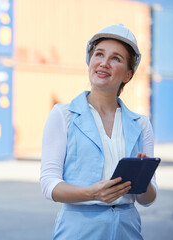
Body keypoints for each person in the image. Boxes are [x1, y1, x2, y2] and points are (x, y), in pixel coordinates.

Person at [40, 24, 157, 239]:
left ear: (128, 75)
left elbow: (147, 199)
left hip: (127, 230)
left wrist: (144, 177)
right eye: (99, 54)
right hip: (78, 230)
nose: (104, 63)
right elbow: (49, 185)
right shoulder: (63, 115)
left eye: (116, 58)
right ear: (90, 61)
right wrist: (92, 193)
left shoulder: (141, 124)